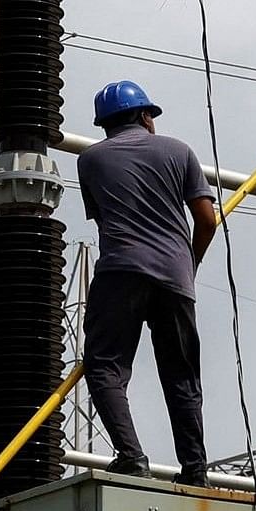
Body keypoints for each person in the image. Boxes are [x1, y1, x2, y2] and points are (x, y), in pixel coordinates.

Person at [74, 79, 222, 483]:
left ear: (104, 123)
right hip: (175, 280)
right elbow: (207, 220)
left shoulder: (89, 161)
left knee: (105, 366)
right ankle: (195, 470)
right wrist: (188, 264)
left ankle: (131, 455)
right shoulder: (179, 151)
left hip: (120, 272)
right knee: (181, 376)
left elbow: (105, 220)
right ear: (145, 115)